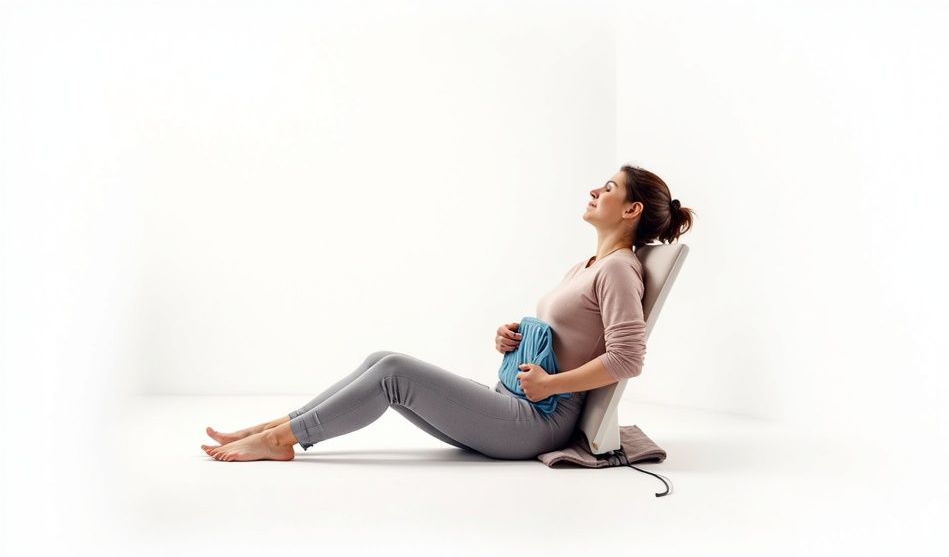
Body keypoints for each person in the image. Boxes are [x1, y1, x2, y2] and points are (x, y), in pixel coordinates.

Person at [201, 163, 695, 462]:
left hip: (536, 420)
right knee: (383, 357)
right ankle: (276, 429)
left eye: (608, 187)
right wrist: (514, 336)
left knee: (393, 372)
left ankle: (283, 440)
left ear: (631, 210)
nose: (595, 191)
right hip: (515, 403)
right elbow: (571, 335)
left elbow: (628, 358)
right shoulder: (589, 265)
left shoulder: (619, 270)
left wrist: (549, 385)